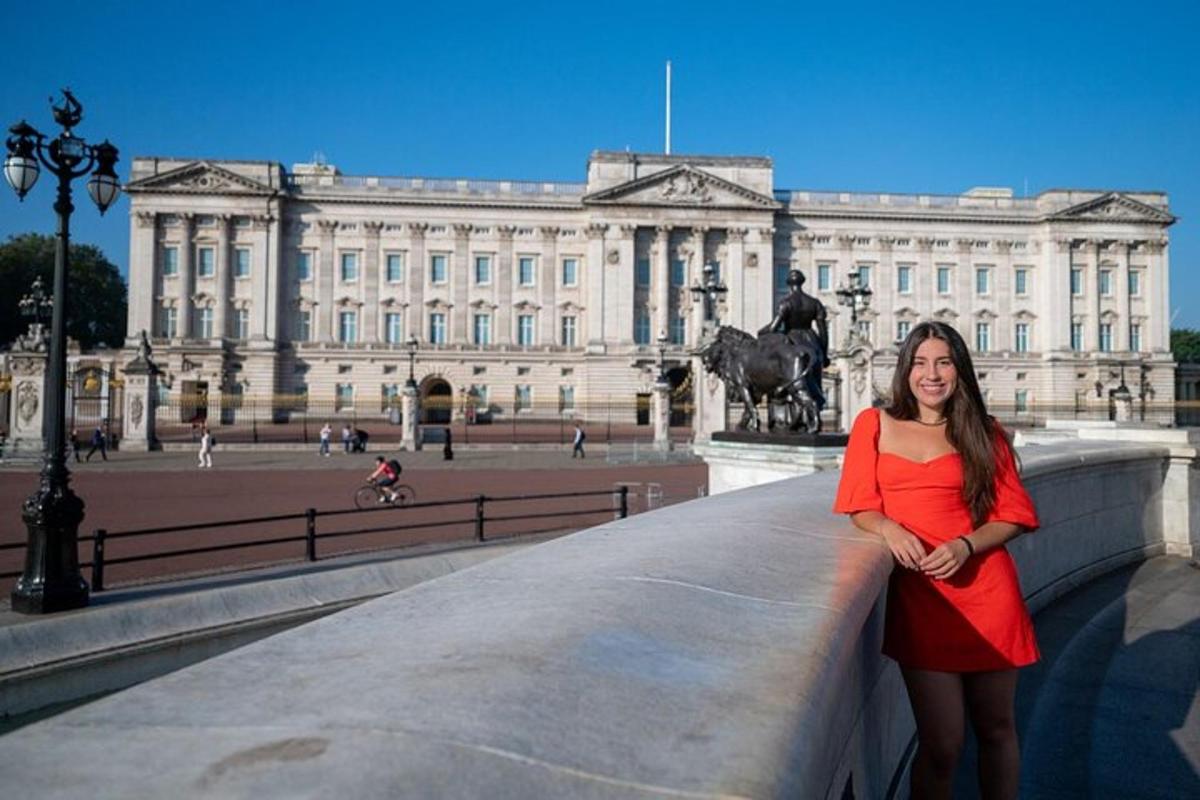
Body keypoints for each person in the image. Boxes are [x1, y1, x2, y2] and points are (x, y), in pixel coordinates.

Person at [832, 321, 1039, 800]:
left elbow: (1013, 515)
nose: (932, 374)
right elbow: (859, 504)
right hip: (922, 599)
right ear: (906, 370)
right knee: (942, 743)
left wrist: (966, 545)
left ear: (959, 370)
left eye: (944, 362)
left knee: (997, 728)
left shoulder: (983, 432)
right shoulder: (874, 424)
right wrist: (888, 528)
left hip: (988, 592)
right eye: (921, 362)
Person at [758, 269, 830, 409]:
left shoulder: (786, 303)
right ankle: (817, 407)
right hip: (812, 342)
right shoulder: (815, 303)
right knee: (815, 382)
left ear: (788, 284)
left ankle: (781, 406)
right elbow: (823, 331)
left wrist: (761, 332)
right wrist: (824, 353)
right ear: (802, 282)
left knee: (791, 380)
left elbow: (773, 328)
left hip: (793, 341)